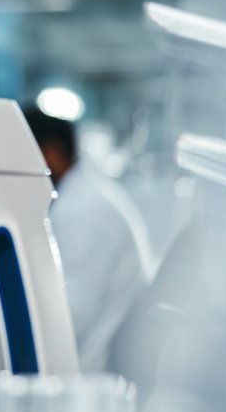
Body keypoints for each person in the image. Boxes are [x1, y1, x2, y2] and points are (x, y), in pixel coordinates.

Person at [22, 107, 152, 372]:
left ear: (52, 155)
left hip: (91, 379)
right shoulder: (79, 201)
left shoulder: (87, 213)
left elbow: (65, 322)